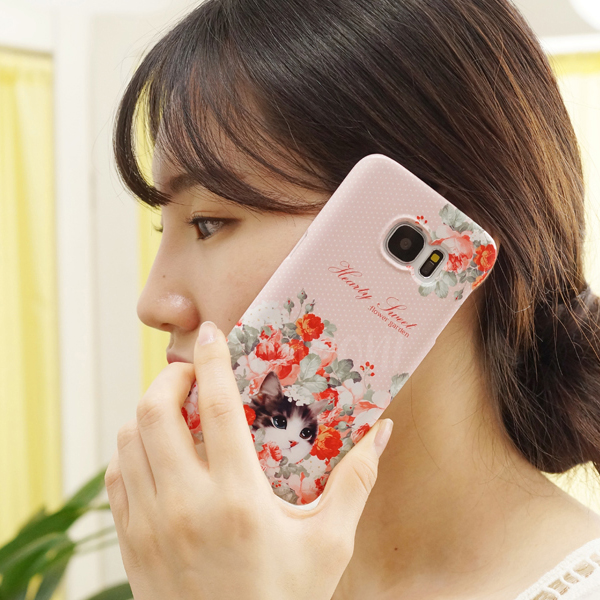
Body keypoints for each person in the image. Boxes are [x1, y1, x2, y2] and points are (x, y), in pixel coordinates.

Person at [104, 0, 600, 598]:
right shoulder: (198, 570)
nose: (154, 303)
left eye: (209, 222)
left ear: (437, 225)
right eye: (165, 227)